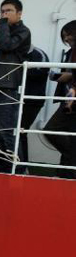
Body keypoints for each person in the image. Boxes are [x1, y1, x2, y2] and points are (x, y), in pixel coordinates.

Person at [0, 0, 32, 172]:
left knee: (7, 132)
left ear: (19, 13)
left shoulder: (23, 31)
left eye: (9, 11)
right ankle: (0, 168)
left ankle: (16, 170)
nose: (4, 15)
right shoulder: (7, 30)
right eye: (2, 11)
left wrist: (2, 23)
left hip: (9, 87)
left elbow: (6, 45)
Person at [44, 20, 76, 178]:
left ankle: (69, 167)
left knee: (52, 130)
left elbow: (70, 75)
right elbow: (68, 75)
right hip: (69, 99)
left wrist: (56, 75)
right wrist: (54, 75)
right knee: (68, 135)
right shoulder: (71, 52)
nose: (68, 39)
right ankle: (66, 172)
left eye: (70, 35)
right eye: (65, 37)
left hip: (72, 99)